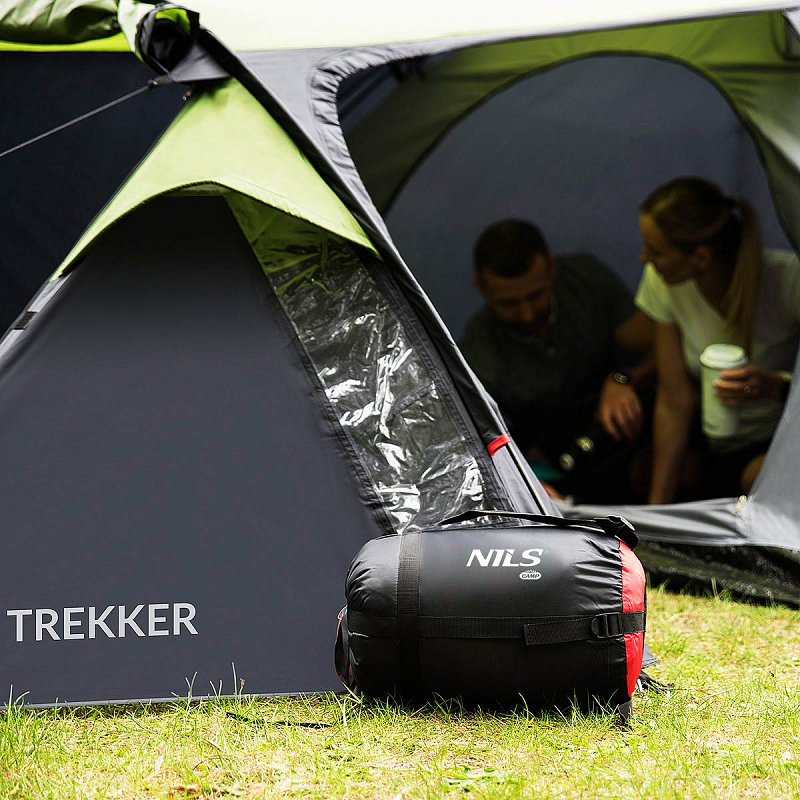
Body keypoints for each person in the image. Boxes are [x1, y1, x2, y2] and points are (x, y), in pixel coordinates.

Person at [459, 219, 653, 501]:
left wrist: (624, 379)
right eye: (509, 304)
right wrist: (522, 481)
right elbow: (474, 439)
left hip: (624, 432)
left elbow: (661, 352)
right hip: (556, 463)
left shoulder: (586, 281)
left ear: (551, 267)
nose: (527, 314)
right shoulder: (479, 349)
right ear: (480, 286)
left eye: (536, 295)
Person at [635, 177, 800, 504]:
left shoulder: (787, 279)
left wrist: (778, 386)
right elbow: (674, 398)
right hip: (706, 435)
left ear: (700, 257)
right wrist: (655, 510)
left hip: (771, 440)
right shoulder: (663, 279)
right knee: (643, 472)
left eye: (655, 251)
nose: (643, 258)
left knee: (762, 485)